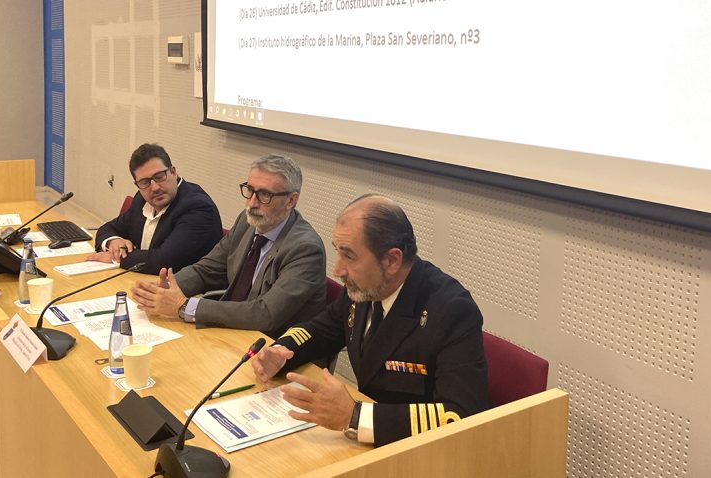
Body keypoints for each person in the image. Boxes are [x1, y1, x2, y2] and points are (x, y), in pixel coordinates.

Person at [253, 194, 491, 447]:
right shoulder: (367, 286)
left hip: (417, 453)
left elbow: (459, 415)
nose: (337, 270)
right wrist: (281, 351)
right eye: (338, 251)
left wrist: (355, 416)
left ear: (391, 261)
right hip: (368, 446)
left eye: (349, 256)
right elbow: (323, 329)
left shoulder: (450, 310)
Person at [130, 154, 327, 339]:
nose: (252, 203)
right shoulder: (247, 222)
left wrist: (183, 306)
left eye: (264, 194)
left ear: (291, 200)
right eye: (250, 190)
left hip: (272, 345)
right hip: (232, 330)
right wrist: (162, 290)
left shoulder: (305, 249)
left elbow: (265, 314)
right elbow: (207, 269)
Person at [89, 143, 222, 274]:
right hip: (142, 279)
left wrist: (117, 258)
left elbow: (163, 261)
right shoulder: (142, 199)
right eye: (145, 182)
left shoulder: (198, 208)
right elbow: (107, 228)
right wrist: (113, 241)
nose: (155, 188)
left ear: (173, 172)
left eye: (159, 177)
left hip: (181, 285)